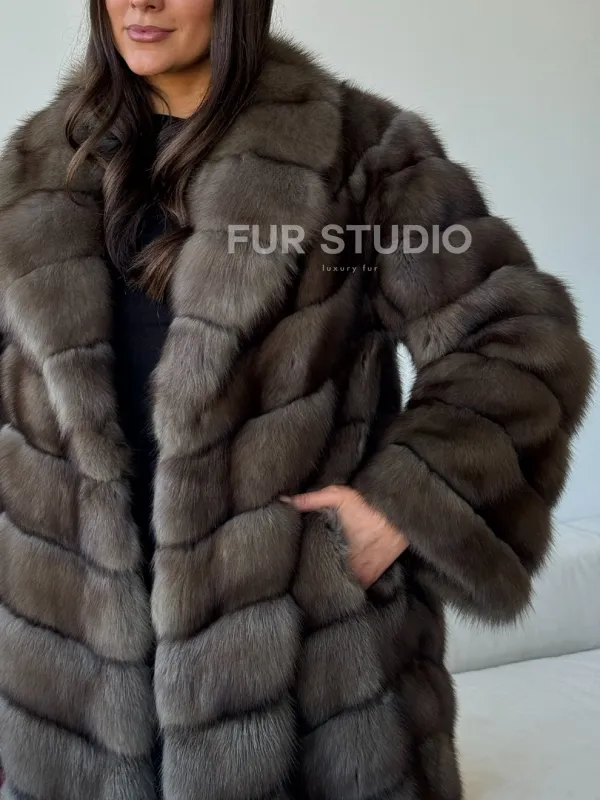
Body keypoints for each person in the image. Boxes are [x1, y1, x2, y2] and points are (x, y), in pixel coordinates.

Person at [0, 0, 594, 798]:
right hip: (75, 692)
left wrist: (408, 500)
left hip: (314, 687)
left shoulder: (358, 153)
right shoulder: (37, 167)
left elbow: (518, 337)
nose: (140, 3)